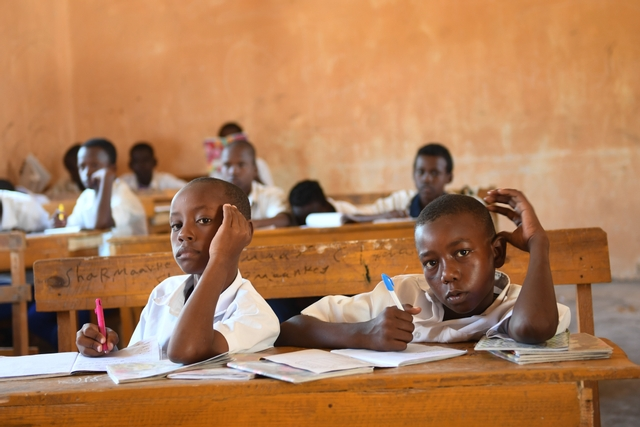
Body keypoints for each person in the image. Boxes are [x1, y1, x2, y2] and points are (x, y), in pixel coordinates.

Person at [276, 189, 570, 349]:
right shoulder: (404, 294)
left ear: (497, 252)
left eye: (462, 252)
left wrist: (538, 244)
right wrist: (364, 333)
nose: (446, 274)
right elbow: (291, 328)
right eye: (431, 262)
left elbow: (532, 328)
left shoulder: (521, 306)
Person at [76, 178, 280, 363]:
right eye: (176, 224)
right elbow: (138, 365)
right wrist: (107, 349)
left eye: (204, 220)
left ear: (243, 231)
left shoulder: (256, 316)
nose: (183, 234)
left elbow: (185, 350)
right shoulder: (164, 293)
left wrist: (221, 258)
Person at [54, 138, 148, 253]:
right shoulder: (87, 196)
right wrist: (60, 223)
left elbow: (102, 224)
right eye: (82, 167)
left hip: (135, 266)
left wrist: (107, 179)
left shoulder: (124, 197)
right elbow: (72, 228)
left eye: (94, 165)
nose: (87, 173)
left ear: (112, 169)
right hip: (104, 265)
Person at [346, 143, 454, 222]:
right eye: (420, 172)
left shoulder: (457, 208)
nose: (426, 179)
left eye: (434, 173)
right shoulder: (399, 202)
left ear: (449, 178)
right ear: (413, 174)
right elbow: (353, 217)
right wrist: (385, 216)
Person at [220, 140, 291, 229]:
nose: (233, 171)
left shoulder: (271, 194)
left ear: (255, 169)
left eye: (241, 165)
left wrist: (247, 225)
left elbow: (283, 220)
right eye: (227, 165)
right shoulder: (214, 199)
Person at [288, 180, 361, 226]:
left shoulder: (346, 211)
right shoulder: (290, 220)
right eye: (302, 221)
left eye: (314, 216)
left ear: (326, 205)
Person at [120, 142, 187, 192]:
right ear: (130, 165)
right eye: (137, 161)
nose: (141, 165)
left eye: (146, 160)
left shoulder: (165, 180)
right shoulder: (124, 183)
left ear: (154, 162)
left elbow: (187, 189)